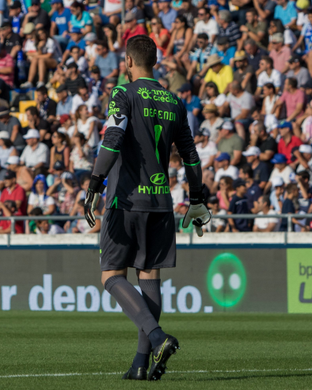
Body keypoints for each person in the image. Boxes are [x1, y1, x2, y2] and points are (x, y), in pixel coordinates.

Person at [83, 36, 209, 381]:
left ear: (127, 61)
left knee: (111, 275)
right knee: (149, 278)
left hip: (126, 201)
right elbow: (191, 156)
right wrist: (197, 199)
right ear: (154, 61)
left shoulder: (124, 93)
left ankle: (156, 337)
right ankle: (140, 363)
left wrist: (95, 183)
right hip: (160, 202)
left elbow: (113, 138)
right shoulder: (174, 101)